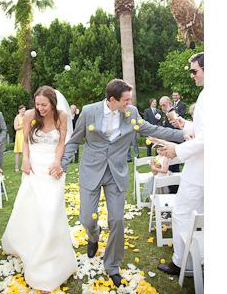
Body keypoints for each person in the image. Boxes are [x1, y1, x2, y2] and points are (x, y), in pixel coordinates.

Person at [60, 79, 185, 288]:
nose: (130, 103)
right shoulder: (90, 112)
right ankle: (93, 236)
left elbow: (153, 129)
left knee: (117, 220)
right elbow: (74, 141)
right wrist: (63, 164)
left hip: (116, 174)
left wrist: (184, 134)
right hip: (91, 171)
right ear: (112, 100)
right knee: (87, 217)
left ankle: (112, 265)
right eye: (126, 100)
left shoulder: (132, 113)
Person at [2, 86, 76, 293]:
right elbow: (25, 141)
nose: (40, 108)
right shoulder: (28, 115)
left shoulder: (61, 116)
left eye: (44, 105)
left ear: (53, 103)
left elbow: (62, 142)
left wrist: (57, 162)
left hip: (52, 169)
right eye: (38, 104)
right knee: (31, 208)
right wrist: (25, 160)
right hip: (34, 167)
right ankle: (29, 245)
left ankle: (52, 256)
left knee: (52, 211)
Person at [155, 52, 204, 276]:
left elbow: (207, 139)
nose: (192, 76)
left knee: (182, 213)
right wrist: (184, 124)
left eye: (195, 71)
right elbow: (202, 131)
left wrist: (176, 150)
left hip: (199, 171)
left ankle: (185, 263)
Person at [158, 96, 181, 193]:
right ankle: (172, 190)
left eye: (164, 105)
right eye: (161, 106)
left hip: (173, 146)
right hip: (168, 144)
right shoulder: (167, 113)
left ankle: (174, 191)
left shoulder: (172, 113)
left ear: (170, 104)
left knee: (172, 169)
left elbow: (175, 130)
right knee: (170, 168)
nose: (162, 107)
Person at [13, 105, 27, 172]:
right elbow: (15, 128)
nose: (23, 111)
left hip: (25, 134)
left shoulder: (26, 116)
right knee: (18, 152)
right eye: (22, 110)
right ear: (19, 110)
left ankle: (24, 166)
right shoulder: (17, 117)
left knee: (25, 151)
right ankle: (16, 167)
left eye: (24, 110)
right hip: (19, 135)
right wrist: (23, 125)